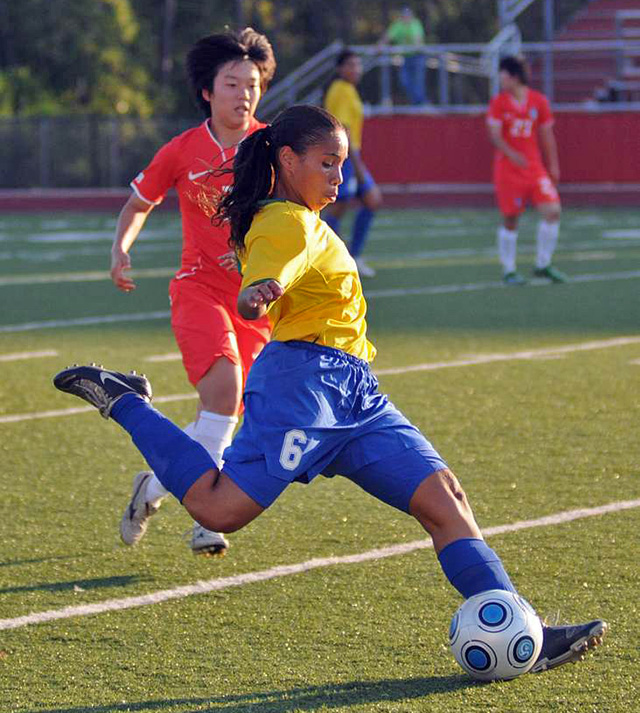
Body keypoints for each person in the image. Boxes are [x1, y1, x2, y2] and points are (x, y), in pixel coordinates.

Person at [54, 104, 606, 675]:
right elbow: (269, 276)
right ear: (287, 160)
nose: (339, 177)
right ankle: (126, 401)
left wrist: (255, 276)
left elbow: (269, 260)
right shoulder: (285, 223)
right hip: (305, 389)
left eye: (342, 164)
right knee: (218, 509)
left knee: (445, 500)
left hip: (358, 394)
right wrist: (256, 293)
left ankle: (527, 633)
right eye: (327, 163)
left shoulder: (300, 219)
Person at [109, 28, 276, 556]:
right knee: (224, 393)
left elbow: (299, 218)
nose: (243, 93)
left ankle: (154, 488)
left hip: (257, 299)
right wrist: (121, 251)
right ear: (208, 90)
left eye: (252, 83)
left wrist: (255, 253)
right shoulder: (183, 149)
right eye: (232, 83)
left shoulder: (274, 147)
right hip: (198, 290)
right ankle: (209, 516)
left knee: (233, 414)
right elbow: (139, 202)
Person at [487, 55, 566, 286]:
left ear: (515, 76)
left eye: (503, 74)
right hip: (508, 170)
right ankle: (509, 270)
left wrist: (553, 165)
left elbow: (546, 135)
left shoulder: (538, 101)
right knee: (511, 218)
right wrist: (512, 154)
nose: (501, 79)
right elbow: (494, 135)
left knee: (553, 210)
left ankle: (543, 263)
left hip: (534, 168)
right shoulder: (498, 102)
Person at [323, 50, 382, 278]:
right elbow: (342, 132)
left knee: (369, 200)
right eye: (350, 65)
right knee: (339, 207)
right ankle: (335, 257)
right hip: (345, 158)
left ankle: (351, 256)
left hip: (349, 157)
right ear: (340, 68)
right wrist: (356, 167)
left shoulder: (347, 90)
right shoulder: (341, 91)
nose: (356, 69)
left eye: (358, 65)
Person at [379, 6, 427, 105]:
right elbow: (388, 37)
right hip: (406, 58)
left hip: (418, 57)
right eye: (405, 16)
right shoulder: (398, 25)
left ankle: (420, 104)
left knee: (418, 82)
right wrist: (379, 46)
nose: (406, 18)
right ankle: (418, 103)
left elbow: (417, 39)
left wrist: (417, 46)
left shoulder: (415, 24)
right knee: (404, 82)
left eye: (408, 16)